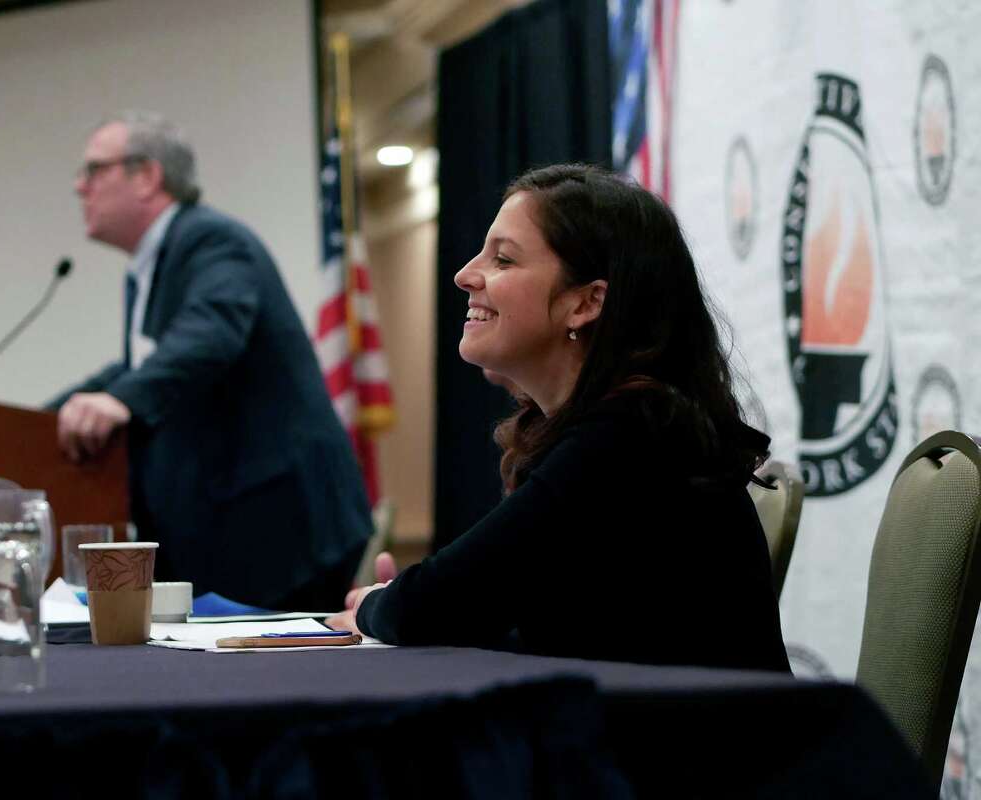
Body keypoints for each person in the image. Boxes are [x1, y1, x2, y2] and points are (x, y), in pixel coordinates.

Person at [328, 164, 790, 672]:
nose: (464, 275)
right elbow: (534, 625)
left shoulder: (630, 438)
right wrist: (401, 604)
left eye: (503, 259)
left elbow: (432, 605)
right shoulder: (622, 427)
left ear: (586, 302)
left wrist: (376, 604)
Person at [49, 110, 372, 610]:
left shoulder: (210, 239)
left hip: (280, 533)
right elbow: (143, 364)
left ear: (147, 176)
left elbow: (212, 331)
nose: (79, 186)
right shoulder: (152, 265)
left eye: (94, 170)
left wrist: (120, 400)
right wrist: (48, 414)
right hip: (236, 536)